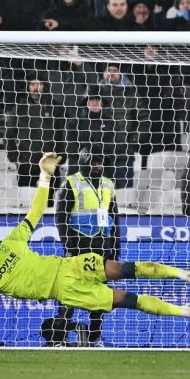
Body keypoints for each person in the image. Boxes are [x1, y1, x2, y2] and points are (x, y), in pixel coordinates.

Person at [0, 153, 190, 328]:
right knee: (128, 300)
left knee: (126, 268)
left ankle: (185, 274)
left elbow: (36, 211)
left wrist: (44, 176)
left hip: (70, 265)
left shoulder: (13, 242)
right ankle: (188, 313)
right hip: (65, 291)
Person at [55, 146, 121, 346]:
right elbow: (61, 218)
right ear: (84, 162)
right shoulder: (71, 183)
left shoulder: (108, 184)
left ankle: (94, 338)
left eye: (101, 162)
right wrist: (68, 247)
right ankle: (60, 337)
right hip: (79, 245)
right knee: (69, 292)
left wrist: (116, 247)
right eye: (94, 162)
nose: (98, 166)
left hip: (102, 245)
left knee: (99, 294)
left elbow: (114, 217)